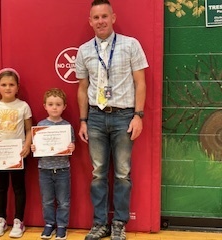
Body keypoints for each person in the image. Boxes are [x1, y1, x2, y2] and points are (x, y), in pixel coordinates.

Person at [75, 0, 148, 240]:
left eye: (104, 16)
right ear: (90, 22)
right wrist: (83, 120)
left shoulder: (130, 45)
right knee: (98, 173)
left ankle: (118, 222)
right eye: (96, 18)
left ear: (113, 18)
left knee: (122, 174)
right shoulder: (84, 50)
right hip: (95, 117)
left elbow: (140, 82)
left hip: (124, 116)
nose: (101, 21)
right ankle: (99, 224)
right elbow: (82, 88)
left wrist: (138, 116)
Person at [0, 68, 32, 238]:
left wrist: (27, 145)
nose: (8, 88)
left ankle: (19, 221)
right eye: (4, 85)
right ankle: (1, 219)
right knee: (1, 187)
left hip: (17, 153)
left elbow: (29, 129)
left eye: (11, 84)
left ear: (17, 87)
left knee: (18, 187)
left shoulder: (23, 106)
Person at [31, 88, 75, 240]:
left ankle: (62, 226)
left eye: (58, 104)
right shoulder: (40, 125)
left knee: (63, 201)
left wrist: (71, 147)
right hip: (44, 170)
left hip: (63, 169)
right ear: (45, 106)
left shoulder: (67, 126)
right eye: (51, 104)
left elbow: (72, 145)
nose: (54, 107)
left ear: (64, 106)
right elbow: (37, 147)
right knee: (47, 200)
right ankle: (49, 224)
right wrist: (34, 148)